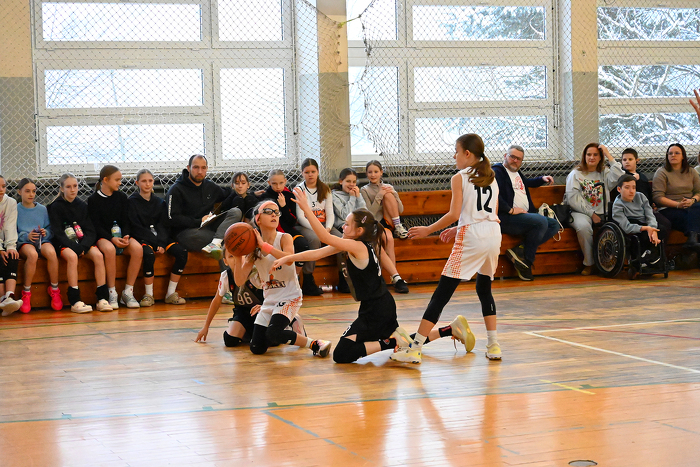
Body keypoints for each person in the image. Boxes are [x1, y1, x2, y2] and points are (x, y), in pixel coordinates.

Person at [390, 133, 500, 364]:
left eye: (456, 151)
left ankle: (415, 348)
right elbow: (487, 214)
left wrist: (428, 230)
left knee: (441, 294)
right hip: (493, 233)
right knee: (484, 288)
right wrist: (457, 228)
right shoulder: (492, 176)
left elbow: (454, 213)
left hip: (473, 236)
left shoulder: (459, 177)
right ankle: (493, 345)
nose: (454, 156)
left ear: (467, 154)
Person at [274, 190, 414, 363]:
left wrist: (306, 209)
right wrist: (288, 258)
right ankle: (405, 339)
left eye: (347, 225)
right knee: (349, 349)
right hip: (377, 305)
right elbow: (316, 253)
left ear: (359, 231)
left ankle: (392, 342)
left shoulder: (357, 246)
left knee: (341, 354)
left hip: (378, 309)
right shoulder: (354, 244)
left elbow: (324, 237)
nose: (343, 227)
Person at [230, 200, 331, 357]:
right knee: (257, 348)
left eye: (277, 212)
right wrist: (237, 256)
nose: (274, 215)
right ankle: (291, 323)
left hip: (289, 296)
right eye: (268, 211)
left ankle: (315, 343)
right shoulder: (253, 248)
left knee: (274, 333)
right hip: (270, 299)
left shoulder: (284, 238)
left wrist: (265, 246)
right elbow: (239, 281)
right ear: (258, 219)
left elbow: (289, 259)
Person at [195, 249, 306, 347]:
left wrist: (264, 306)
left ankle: (291, 320)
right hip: (242, 313)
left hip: (262, 310)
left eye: (240, 255)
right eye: (231, 256)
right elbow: (216, 300)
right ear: (225, 261)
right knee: (230, 341)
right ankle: (251, 333)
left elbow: (275, 293)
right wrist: (206, 326)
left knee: (272, 342)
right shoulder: (226, 276)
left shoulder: (255, 274)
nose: (236, 259)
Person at [332, 168, 408, 293]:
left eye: (354, 182)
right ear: (341, 181)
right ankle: (357, 280)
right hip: (345, 229)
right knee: (369, 245)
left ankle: (396, 277)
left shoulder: (357, 193)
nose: (351, 184)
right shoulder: (334, 195)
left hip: (360, 229)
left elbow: (365, 213)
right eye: (348, 181)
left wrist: (358, 197)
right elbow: (344, 215)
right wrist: (352, 198)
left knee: (378, 244)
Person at [493, 144, 558, 281]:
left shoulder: (516, 173)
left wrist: (542, 179)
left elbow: (526, 182)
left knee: (554, 225)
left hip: (523, 217)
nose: (515, 160)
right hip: (506, 218)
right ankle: (527, 262)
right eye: (512, 157)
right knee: (541, 221)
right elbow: (494, 195)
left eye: (519, 159)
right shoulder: (497, 172)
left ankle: (519, 251)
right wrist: (510, 210)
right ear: (505, 156)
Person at [48, 173, 111, 313]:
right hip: (65, 244)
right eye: (68, 187)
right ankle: (75, 300)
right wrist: (75, 247)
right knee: (72, 257)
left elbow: (90, 230)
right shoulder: (55, 207)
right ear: (62, 189)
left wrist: (84, 246)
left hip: (82, 244)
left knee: (98, 255)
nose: (72, 190)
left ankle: (102, 298)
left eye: (75, 186)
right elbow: (58, 233)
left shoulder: (82, 205)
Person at [128, 169, 189, 306]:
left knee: (182, 252)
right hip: (144, 238)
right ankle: (149, 295)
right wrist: (155, 243)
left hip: (160, 239)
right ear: (137, 183)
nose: (147, 184)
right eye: (144, 181)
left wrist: (161, 242)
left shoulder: (160, 202)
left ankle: (170, 293)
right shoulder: (132, 202)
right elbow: (135, 227)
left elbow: (163, 225)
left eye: (150, 181)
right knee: (148, 254)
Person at [165, 155, 241, 261]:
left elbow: (228, 193)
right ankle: (218, 243)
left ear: (207, 169)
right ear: (188, 168)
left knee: (236, 212)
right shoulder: (176, 189)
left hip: (209, 225)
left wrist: (251, 195)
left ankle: (215, 243)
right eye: (196, 167)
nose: (200, 171)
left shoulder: (210, 186)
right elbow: (172, 219)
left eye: (203, 168)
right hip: (187, 232)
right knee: (228, 238)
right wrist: (199, 221)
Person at [88, 165, 144, 309]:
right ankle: (111, 292)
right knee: (109, 249)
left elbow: (126, 220)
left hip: (120, 236)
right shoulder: (93, 200)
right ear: (105, 180)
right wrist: (111, 238)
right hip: (104, 237)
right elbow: (96, 226)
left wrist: (125, 235)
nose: (120, 183)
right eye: (117, 180)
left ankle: (128, 292)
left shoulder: (121, 197)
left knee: (137, 249)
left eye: (120, 180)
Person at [564, 143, 624, 275]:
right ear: (584, 156)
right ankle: (589, 264)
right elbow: (573, 200)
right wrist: (591, 214)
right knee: (583, 227)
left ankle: (611, 263)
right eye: (589, 154)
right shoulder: (575, 174)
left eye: (596, 155)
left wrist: (608, 155)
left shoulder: (605, 172)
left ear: (601, 157)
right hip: (580, 212)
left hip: (603, 211)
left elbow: (620, 176)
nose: (592, 157)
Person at [258, 169, 316, 295]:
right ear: (269, 183)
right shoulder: (264, 197)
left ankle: (295, 277)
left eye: (280, 183)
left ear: (285, 181)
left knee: (303, 245)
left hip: (287, 231)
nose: (278, 186)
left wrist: (284, 206)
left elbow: (292, 221)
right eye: (274, 183)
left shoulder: (289, 196)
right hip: (270, 233)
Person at [16, 178, 63, 313]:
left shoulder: (42, 209)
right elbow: (12, 230)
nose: (31, 194)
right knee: (32, 255)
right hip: (24, 242)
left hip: (42, 240)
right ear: (19, 192)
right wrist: (26, 236)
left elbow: (50, 229)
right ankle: (26, 292)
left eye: (34, 191)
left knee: (52, 253)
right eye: (27, 191)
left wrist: (45, 233)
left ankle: (54, 289)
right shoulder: (15, 209)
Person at [294, 158, 340, 293]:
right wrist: (318, 230)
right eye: (307, 172)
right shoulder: (298, 189)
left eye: (313, 172)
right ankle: (308, 279)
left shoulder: (325, 189)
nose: (310, 175)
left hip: (325, 224)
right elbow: (300, 217)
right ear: (302, 173)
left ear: (318, 172)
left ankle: (343, 277)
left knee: (341, 239)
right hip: (306, 225)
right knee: (314, 239)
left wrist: (328, 228)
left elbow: (330, 213)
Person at [652, 143, 700, 251]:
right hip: (669, 208)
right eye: (670, 153)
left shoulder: (691, 171)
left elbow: (698, 192)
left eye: (677, 153)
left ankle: (692, 241)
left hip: (691, 206)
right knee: (692, 215)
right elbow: (658, 197)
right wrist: (678, 205)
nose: (673, 155)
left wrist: (692, 200)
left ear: (683, 156)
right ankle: (692, 241)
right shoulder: (661, 172)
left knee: (696, 208)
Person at [613, 174, 666, 266]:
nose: (631, 191)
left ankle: (651, 255)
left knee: (662, 229)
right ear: (619, 189)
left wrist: (652, 229)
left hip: (645, 223)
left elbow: (650, 215)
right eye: (627, 188)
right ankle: (645, 258)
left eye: (634, 187)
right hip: (633, 226)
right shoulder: (617, 205)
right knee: (643, 235)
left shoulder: (641, 196)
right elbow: (626, 227)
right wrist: (646, 228)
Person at [361, 160, 409, 239]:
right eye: (370, 172)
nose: (373, 175)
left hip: (392, 220)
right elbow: (371, 213)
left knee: (388, 195)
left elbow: (401, 210)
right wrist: (380, 195)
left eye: (376, 172)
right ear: (366, 173)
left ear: (381, 172)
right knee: (387, 238)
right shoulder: (364, 190)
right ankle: (396, 228)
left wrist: (394, 194)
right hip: (378, 221)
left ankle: (398, 227)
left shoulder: (388, 187)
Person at [0, 175, 23, 316]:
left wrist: (10, 247)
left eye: (3, 186)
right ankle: (3, 300)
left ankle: (9, 296)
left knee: (12, 256)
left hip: (4, 241)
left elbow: (10, 226)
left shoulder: (11, 202)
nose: (1, 190)